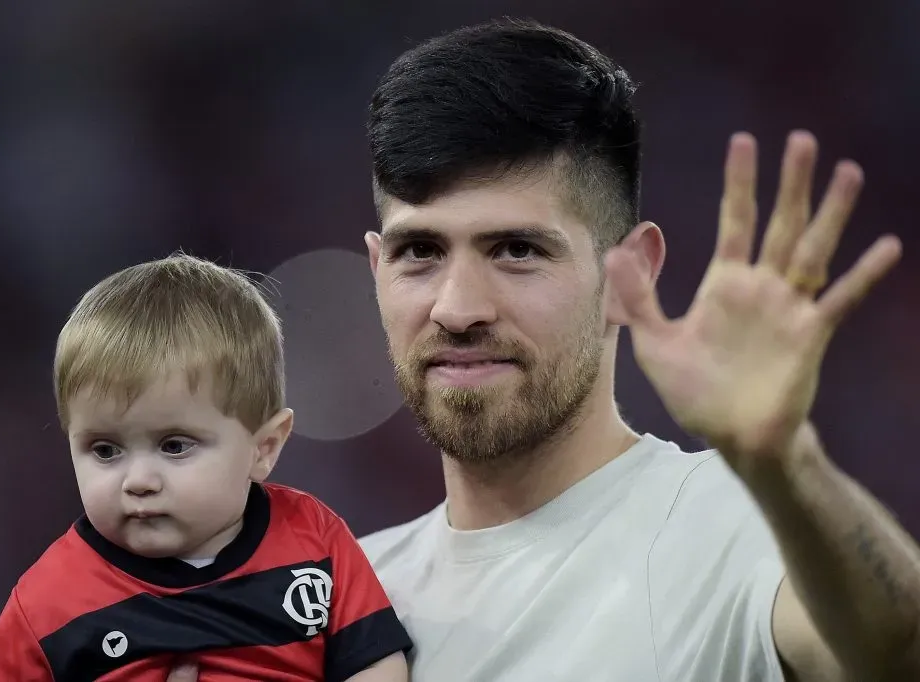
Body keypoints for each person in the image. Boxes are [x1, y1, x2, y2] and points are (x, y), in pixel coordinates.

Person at [349, 17, 919, 682]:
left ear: (632, 271)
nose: (457, 308)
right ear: (375, 270)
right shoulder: (342, 595)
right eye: (419, 251)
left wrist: (785, 461)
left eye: (517, 250)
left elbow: (899, 654)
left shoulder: (735, 530)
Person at [0, 255, 411, 681]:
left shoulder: (315, 538)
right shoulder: (48, 598)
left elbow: (376, 664)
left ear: (264, 447)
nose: (138, 481)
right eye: (104, 450)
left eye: (174, 446)